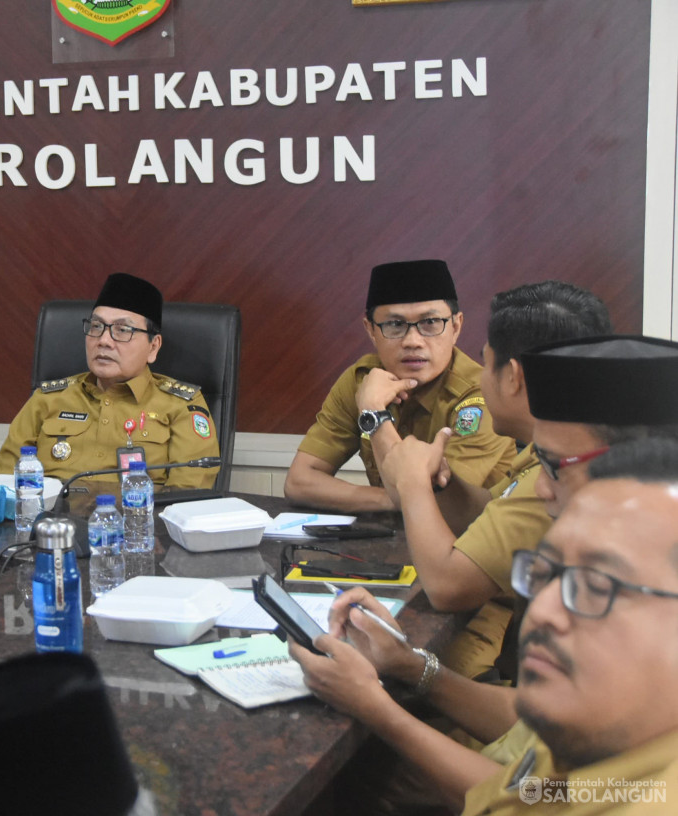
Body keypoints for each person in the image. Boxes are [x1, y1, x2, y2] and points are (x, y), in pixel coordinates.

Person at [289, 437, 678, 814]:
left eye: (595, 586)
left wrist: (379, 710)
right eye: (546, 573)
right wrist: (407, 664)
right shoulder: (610, 743)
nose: (543, 612)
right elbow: (534, 792)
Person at [378, 282, 612, 678]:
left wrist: (412, 482)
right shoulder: (559, 446)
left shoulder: (559, 477)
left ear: (514, 377)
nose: (481, 379)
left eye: (487, 365)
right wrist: (439, 483)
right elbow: (489, 512)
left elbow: (448, 588)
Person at [285, 259, 516, 512]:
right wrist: (392, 499)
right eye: (395, 325)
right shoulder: (360, 380)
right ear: (371, 330)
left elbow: (440, 506)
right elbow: (299, 481)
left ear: (456, 326)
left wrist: (374, 411)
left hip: (476, 545)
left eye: (430, 323)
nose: (412, 341)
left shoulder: (482, 394)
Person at [0, 273, 220, 489]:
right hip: (52, 525)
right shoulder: (47, 400)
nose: (104, 341)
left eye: (123, 330)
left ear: (153, 347)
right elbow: (6, 481)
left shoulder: (180, 406)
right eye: (96, 327)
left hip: (140, 524)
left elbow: (187, 494)